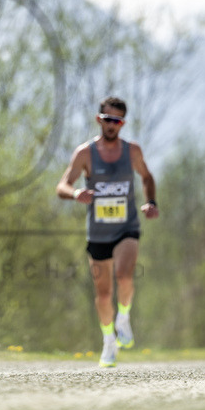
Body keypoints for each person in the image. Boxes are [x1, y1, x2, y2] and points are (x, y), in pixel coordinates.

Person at [56, 96, 159, 368]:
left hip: (127, 227)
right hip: (98, 233)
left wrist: (151, 202)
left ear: (123, 123)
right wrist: (77, 193)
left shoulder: (132, 151)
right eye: (107, 119)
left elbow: (147, 177)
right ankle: (108, 342)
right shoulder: (85, 153)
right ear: (98, 119)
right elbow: (62, 186)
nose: (112, 125)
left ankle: (123, 318)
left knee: (125, 276)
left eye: (118, 121)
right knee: (102, 295)